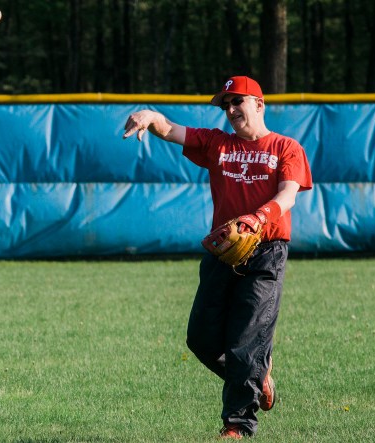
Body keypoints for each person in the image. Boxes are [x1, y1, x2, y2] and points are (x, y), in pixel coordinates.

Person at [122, 76, 312, 440]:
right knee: (201, 339)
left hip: (265, 253)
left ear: (259, 104)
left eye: (237, 101)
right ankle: (257, 375)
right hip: (223, 249)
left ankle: (236, 426)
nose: (230, 110)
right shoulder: (217, 144)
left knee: (244, 343)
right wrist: (149, 115)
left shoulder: (286, 147)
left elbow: (288, 195)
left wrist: (259, 217)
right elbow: (170, 130)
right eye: (225, 105)